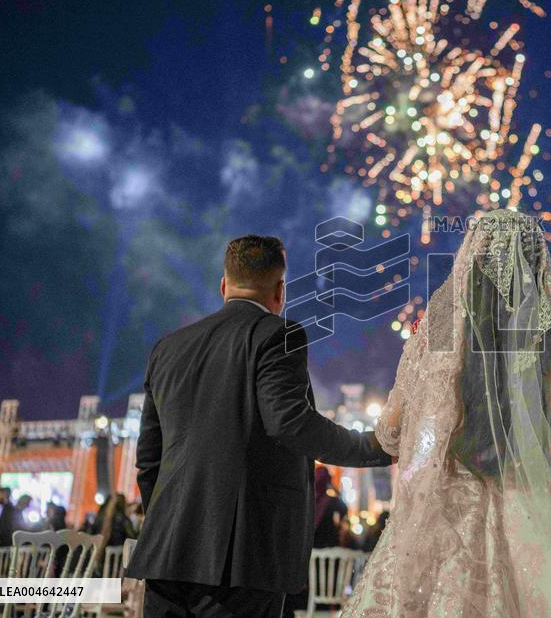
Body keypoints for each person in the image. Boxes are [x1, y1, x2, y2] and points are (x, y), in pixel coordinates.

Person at [343, 210, 551, 617]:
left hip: (446, 518)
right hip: (538, 515)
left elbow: (391, 434)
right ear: (537, 262)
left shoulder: (438, 333)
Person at [126, 234, 393, 618]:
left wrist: (171, 519)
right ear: (280, 290)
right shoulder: (278, 335)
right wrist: (377, 446)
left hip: (165, 552)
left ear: (224, 285)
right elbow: (291, 423)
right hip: (242, 556)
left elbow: (148, 460)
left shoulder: (167, 348)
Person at [312, 467, 348, 549]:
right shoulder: (332, 501)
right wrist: (336, 491)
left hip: (310, 546)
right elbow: (344, 509)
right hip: (328, 546)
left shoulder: (308, 500)